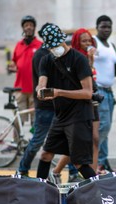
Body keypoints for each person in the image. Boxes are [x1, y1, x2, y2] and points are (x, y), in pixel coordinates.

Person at [35, 23, 97, 181]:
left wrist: (59, 92)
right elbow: (42, 82)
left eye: (56, 45)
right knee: (45, 155)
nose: (54, 49)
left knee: (79, 163)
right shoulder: (47, 60)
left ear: (63, 41)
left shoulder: (79, 59)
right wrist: (40, 90)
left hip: (79, 115)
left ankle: (101, 194)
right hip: (60, 116)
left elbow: (87, 92)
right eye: (51, 47)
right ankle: (39, 190)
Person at [50, 27, 100, 182]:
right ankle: (57, 171)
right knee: (78, 142)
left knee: (94, 139)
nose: (86, 44)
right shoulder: (74, 58)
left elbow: (91, 81)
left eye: (88, 41)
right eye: (83, 41)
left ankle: (93, 173)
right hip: (79, 106)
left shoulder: (86, 58)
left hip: (92, 102)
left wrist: (91, 61)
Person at [15, 23, 54, 178]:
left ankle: (71, 171)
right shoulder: (41, 55)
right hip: (45, 106)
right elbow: (44, 80)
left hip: (57, 105)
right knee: (37, 141)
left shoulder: (53, 53)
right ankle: (22, 168)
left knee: (65, 139)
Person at [93, 15, 116, 173]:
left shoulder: (111, 45)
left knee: (106, 130)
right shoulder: (93, 42)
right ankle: (93, 159)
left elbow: (111, 72)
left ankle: (102, 162)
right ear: (97, 27)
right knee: (103, 127)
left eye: (109, 27)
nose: (106, 30)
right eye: (103, 26)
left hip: (109, 91)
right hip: (98, 90)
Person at [7, 15, 42, 125]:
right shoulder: (18, 45)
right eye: (26, 25)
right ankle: (17, 141)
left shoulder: (40, 45)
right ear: (23, 28)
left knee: (36, 121)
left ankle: (35, 142)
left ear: (34, 28)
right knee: (17, 121)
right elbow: (14, 63)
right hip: (20, 89)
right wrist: (12, 67)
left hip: (34, 89)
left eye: (31, 25)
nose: (28, 27)